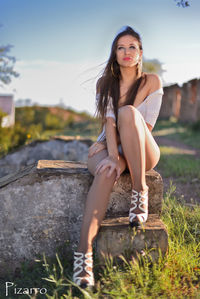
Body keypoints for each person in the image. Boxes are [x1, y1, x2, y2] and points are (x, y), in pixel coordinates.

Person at [73, 25, 163, 289]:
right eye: (120, 47)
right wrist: (111, 154)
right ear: (114, 53)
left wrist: (119, 152)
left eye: (132, 47)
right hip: (112, 145)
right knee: (105, 171)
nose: (126, 52)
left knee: (128, 113)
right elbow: (108, 122)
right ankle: (84, 254)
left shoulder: (152, 82)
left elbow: (144, 128)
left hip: (143, 149)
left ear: (140, 53)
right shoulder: (106, 83)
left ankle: (139, 189)